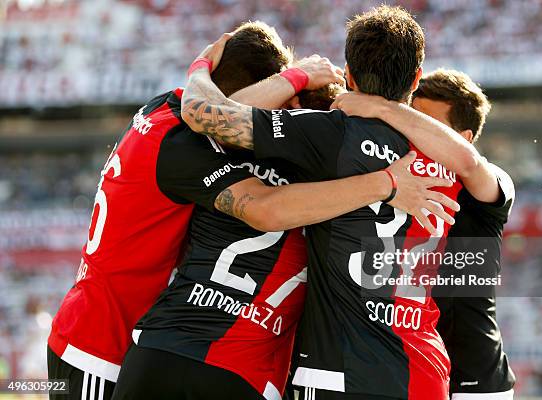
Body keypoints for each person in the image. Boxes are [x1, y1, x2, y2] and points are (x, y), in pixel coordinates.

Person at [48, 21, 456, 400]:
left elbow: (214, 118)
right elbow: (263, 205)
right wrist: (385, 183)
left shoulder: (162, 113)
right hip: (108, 342)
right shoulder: (201, 148)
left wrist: (203, 68)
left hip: (138, 338)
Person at [180, 6, 485, 399]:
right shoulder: (450, 157)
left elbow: (213, 119)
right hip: (424, 374)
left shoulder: (331, 133)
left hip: (337, 373)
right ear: (416, 79)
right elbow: (472, 163)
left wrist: (204, 67)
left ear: (349, 74)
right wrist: (388, 109)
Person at [333, 69, 516, 399]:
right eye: (409, 116)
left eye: (424, 123)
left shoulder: (490, 181)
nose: (412, 131)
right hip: (410, 366)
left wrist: (385, 109)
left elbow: (472, 168)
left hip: (474, 376)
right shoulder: (394, 173)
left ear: (466, 137)